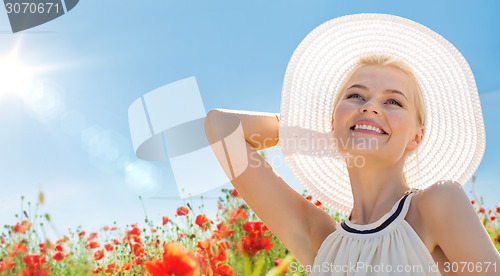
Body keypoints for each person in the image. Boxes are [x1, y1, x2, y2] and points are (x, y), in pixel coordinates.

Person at [204, 14, 500, 275]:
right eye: (356, 96)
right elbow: (220, 128)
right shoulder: (321, 241)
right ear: (333, 121)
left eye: (393, 101)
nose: (371, 107)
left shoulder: (437, 205)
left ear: (416, 137)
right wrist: (330, 136)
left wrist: (356, 130)